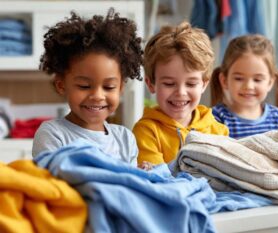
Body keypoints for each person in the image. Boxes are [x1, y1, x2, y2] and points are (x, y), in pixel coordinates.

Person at [32, 9, 143, 166]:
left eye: (109, 87)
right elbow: (54, 186)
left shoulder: (125, 138)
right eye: (84, 86)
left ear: (120, 88)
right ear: (61, 85)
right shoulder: (53, 134)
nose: (97, 95)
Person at [132, 22, 229, 165]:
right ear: (151, 84)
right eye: (169, 84)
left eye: (191, 84)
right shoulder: (146, 132)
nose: (181, 92)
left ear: (204, 84)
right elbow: (157, 180)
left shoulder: (219, 131)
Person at [210, 34, 278, 139]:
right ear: (224, 80)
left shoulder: (277, 117)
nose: (249, 86)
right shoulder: (216, 117)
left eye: (257, 79)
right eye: (239, 78)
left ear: (270, 83)